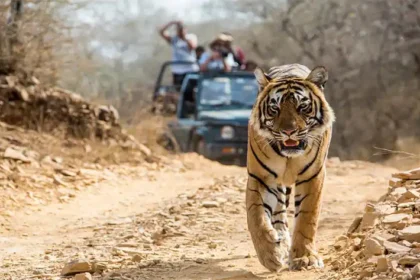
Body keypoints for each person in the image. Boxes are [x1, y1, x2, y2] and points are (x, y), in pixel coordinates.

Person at [159, 20, 199, 87]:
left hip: (190, 69)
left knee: (191, 89)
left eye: (181, 29)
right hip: (177, 70)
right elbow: (161, 32)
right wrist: (171, 23)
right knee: (178, 89)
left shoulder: (191, 37)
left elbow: (193, 47)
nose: (180, 31)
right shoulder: (174, 39)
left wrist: (184, 37)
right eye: (178, 29)